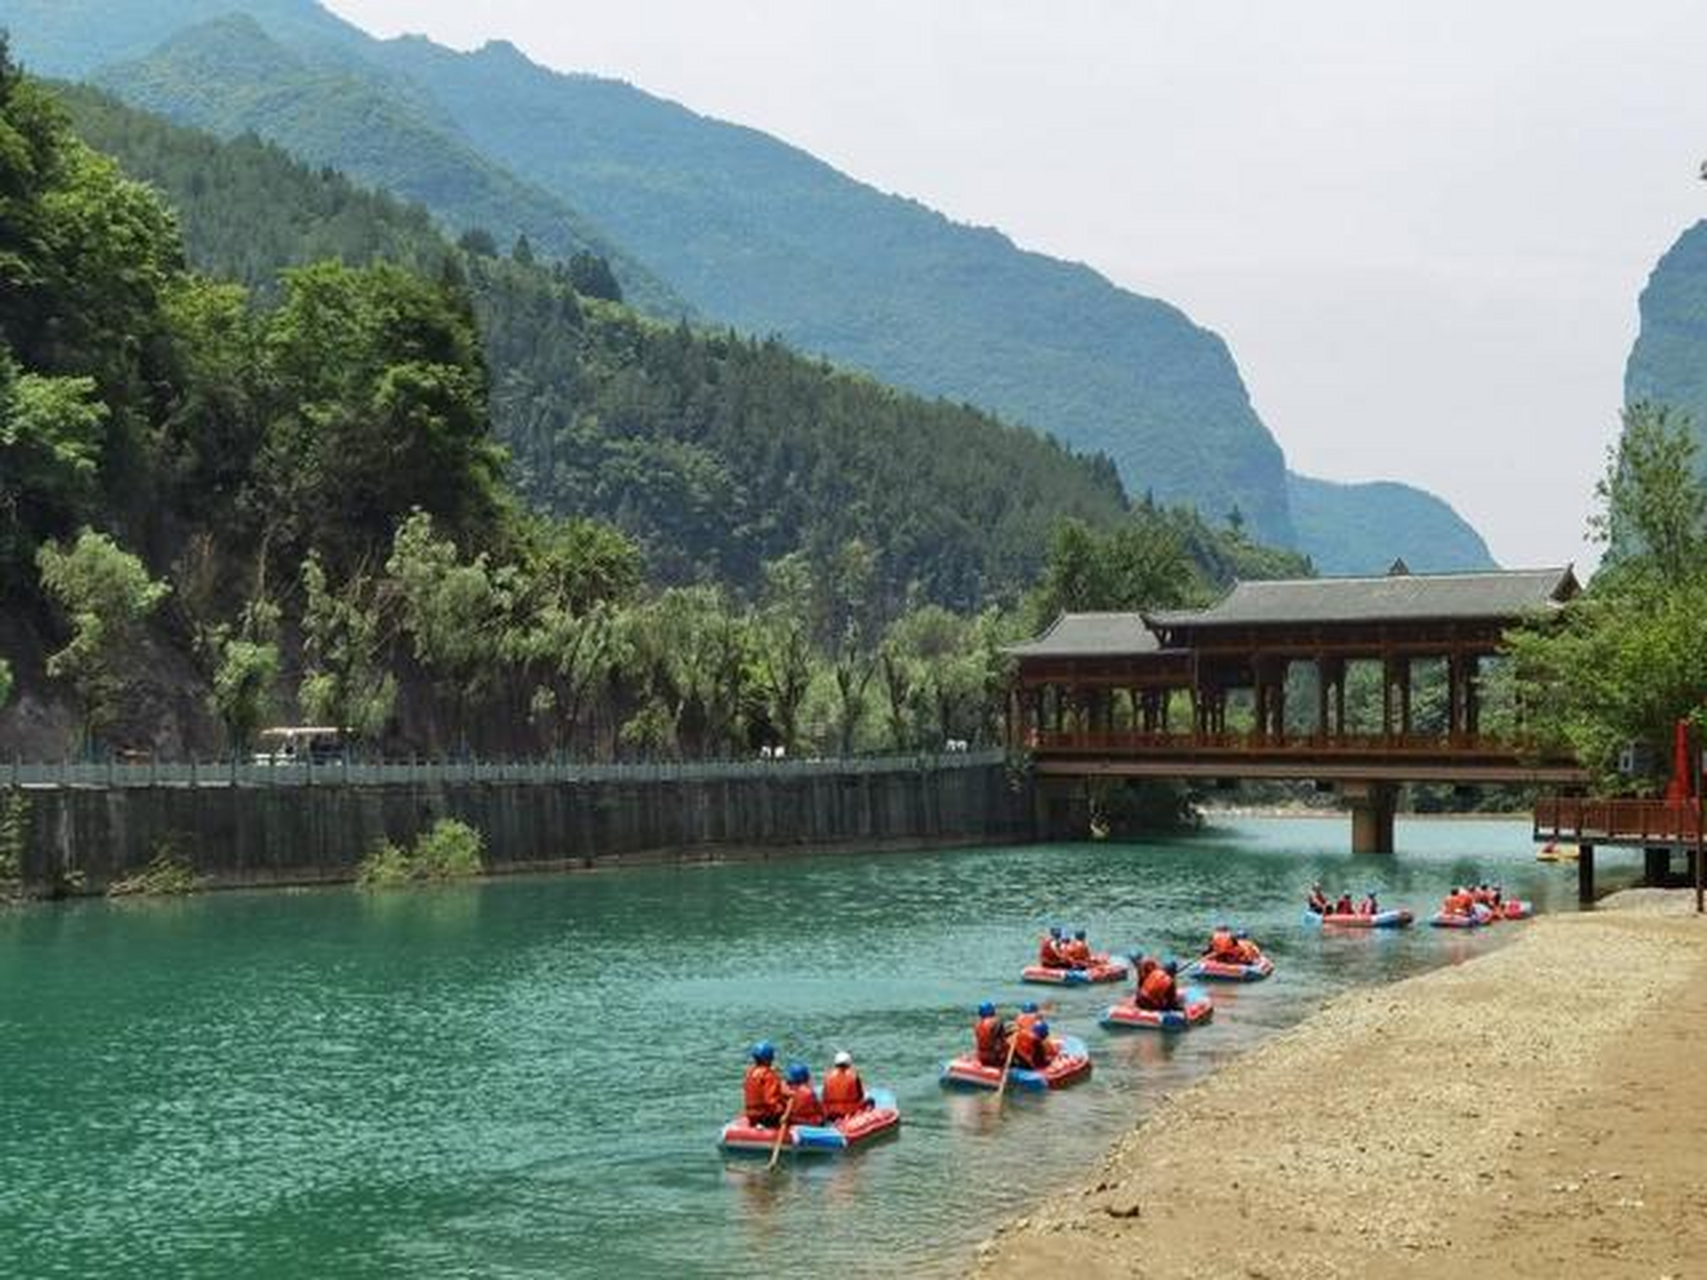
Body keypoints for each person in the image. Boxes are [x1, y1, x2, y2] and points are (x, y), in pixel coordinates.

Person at [743, 1041, 786, 1127]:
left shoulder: (750, 1072)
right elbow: (770, 1100)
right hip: (766, 1117)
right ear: (770, 1058)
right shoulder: (769, 1075)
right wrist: (784, 1109)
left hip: (752, 1116)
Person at [822, 1050, 867, 1120]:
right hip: (850, 1112)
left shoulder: (828, 1076)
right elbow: (861, 1095)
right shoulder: (854, 1076)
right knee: (870, 1101)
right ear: (849, 1063)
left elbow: (824, 1097)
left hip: (832, 1113)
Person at [974, 1000, 1010, 1067]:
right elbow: (1001, 1040)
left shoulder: (977, 1025)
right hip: (994, 1058)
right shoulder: (996, 1022)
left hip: (981, 1057)